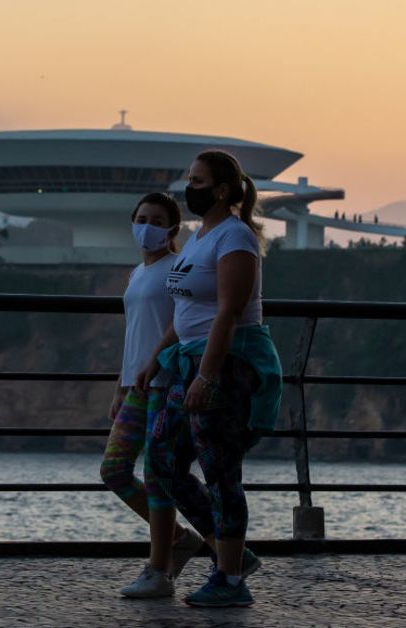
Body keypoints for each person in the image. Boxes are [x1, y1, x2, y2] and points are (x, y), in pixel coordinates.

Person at [142, 149, 283, 608]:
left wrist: (206, 377)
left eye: (198, 181)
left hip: (226, 365)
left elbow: (229, 311)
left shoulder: (235, 238)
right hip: (187, 362)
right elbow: (185, 311)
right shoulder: (200, 237)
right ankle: (234, 556)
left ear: (222, 189)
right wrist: (155, 359)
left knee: (221, 472)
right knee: (162, 463)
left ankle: (229, 577)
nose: (190, 187)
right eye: (189, 178)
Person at [99, 192, 204, 598]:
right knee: (115, 470)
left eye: (157, 220)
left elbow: (180, 324)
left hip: (165, 382)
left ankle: (159, 570)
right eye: (141, 218)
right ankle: (178, 539)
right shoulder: (136, 273)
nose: (147, 226)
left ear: (173, 228)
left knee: (159, 478)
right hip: (136, 386)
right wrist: (119, 386)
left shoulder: (176, 267)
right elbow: (133, 333)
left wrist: (157, 363)